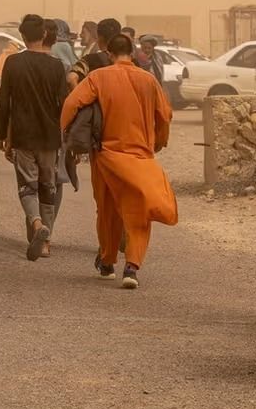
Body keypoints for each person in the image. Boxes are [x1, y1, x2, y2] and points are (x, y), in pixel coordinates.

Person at [61, 34, 178, 289]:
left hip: (106, 157)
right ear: (132, 54)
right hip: (140, 157)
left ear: (109, 54)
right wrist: (158, 142)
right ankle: (132, 267)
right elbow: (164, 115)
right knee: (138, 211)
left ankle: (107, 262)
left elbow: (71, 103)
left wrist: (68, 136)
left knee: (107, 210)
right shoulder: (148, 80)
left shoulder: (99, 77)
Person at [0, 14, 70, 261]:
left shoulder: (13, 63)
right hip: (50, 138)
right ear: (44, 35)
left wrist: (1, 134)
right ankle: (46, 243)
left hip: (23, 136)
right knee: (48, 186)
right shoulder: (56, 66)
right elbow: (64, 104)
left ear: (23, 36)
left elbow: (4, 101)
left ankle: (37, 224)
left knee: (27, 186)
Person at [67, 18, 122, 88]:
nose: (80, 35)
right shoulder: (128, 59)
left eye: (83, 32)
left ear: (99, 37)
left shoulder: (90, 60)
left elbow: (71, 78)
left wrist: (80, 93)